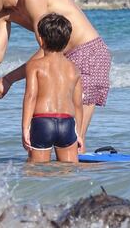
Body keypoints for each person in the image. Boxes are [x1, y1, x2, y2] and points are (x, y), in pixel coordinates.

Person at [0, 0, 111, 152]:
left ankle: (87, 177)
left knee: (73, 138)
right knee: (49, 130)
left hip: (88, 54)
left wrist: (8, 79)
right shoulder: (1, 13)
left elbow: (46, 48)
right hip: (59, 59)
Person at [22, 13, 83, 163]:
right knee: (69, 170)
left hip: (42, 122)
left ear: (41, 40)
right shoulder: (74, 68)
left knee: (37, 171)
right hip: (67, 123)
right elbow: (78, 104)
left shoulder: (34, 65)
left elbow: (31, 96)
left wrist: (25, 128)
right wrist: (79, 133)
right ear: (67, 41)